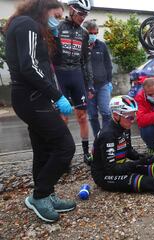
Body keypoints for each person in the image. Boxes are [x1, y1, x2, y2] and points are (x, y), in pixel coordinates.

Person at [5, 0, 76, 223]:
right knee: (65, 147)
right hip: (31, 97)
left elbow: (42, 64)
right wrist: (57, 95)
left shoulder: (26, 24)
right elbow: (30, 66)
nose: (58, 19)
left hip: (32, 97)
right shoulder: (27, 24)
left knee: (43, 148)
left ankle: (46, 193)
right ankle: (40, 195)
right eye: (57, 14)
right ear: (44, 8)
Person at [52, 0, 94, 165]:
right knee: (62, 118)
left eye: (86, 14)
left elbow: (85, 61)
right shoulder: (57, 27)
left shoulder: (84, 33)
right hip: (60, 74)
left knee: (83, 117)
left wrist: (89, 84)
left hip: (76, 74)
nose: (83, 17)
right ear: (71, 9)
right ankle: (64, 156)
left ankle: (85, 153)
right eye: (81, 13)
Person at [83, 20, 113, 137]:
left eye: (95, 33)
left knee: (106, 112)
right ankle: (98, 138)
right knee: (92, 115)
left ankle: (105, 136)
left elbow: (108, 64)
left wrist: (109, 81)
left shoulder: (102, 45)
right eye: (91, 33)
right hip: (87, 87)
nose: (93, 35)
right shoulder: (81, 47)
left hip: (103, 85)